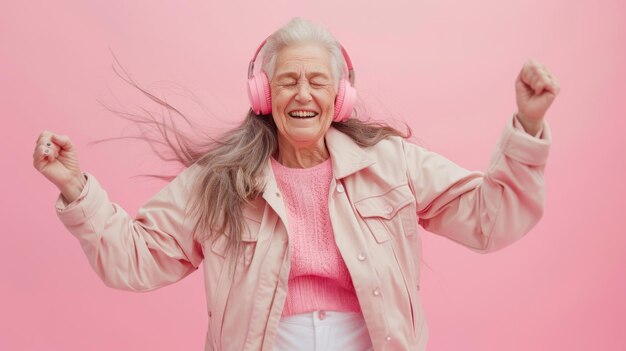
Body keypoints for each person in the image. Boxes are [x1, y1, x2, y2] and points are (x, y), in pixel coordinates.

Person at [33, 17, 558, 351]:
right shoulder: (220, 179)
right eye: (287, 80)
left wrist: (528, 127)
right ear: (263, 94)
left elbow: (492, 218)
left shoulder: (391, 163)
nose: (302, 93)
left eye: (316, 81)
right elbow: (138, 258)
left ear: (340, 97)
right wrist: (78, 188)